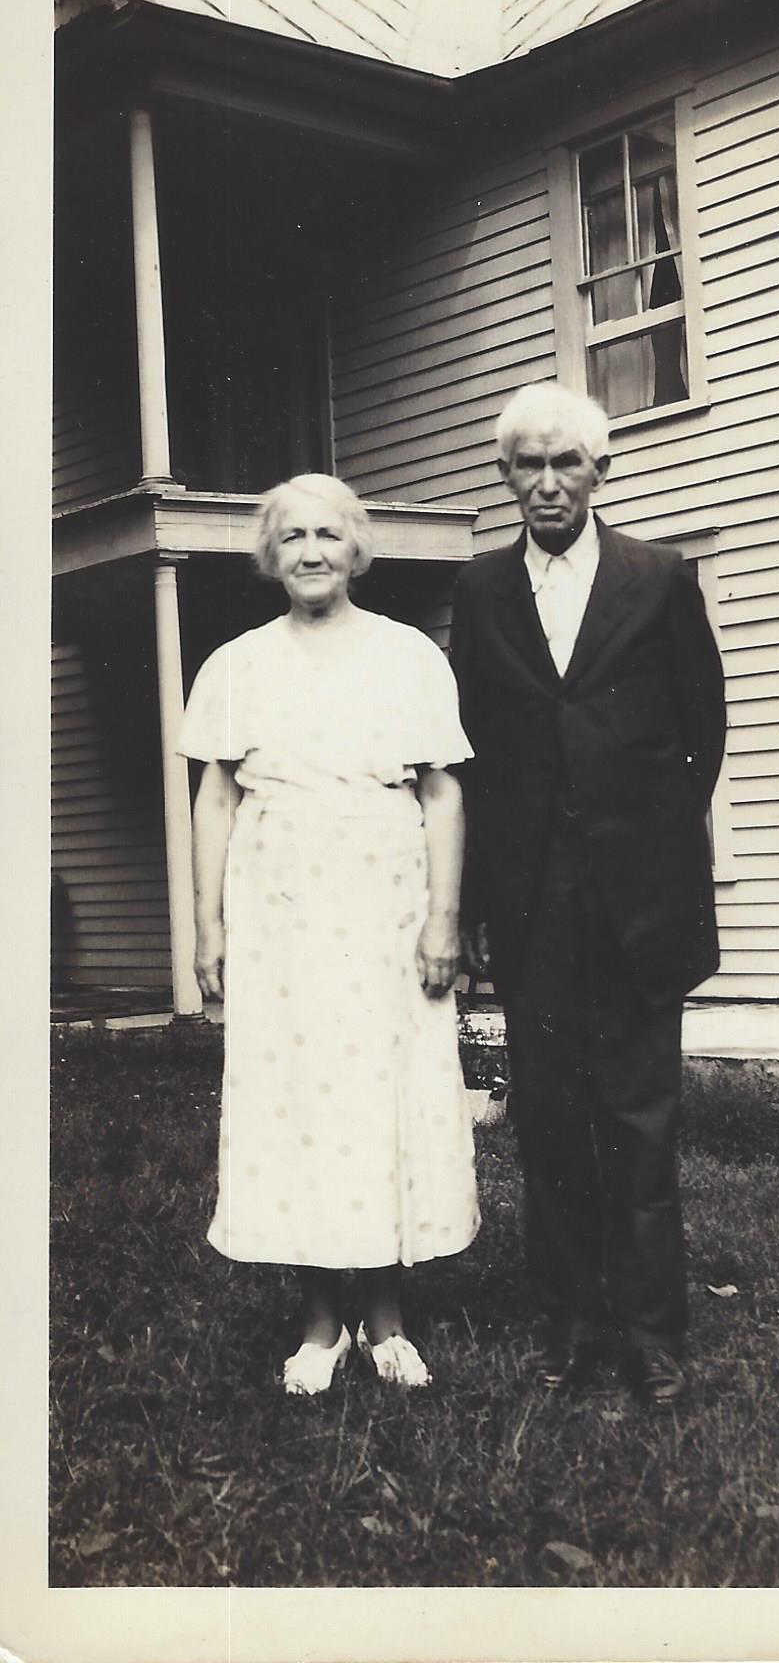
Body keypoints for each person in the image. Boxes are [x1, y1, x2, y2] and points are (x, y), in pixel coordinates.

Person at [449, 383, 726, 1408]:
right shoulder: (480, 589)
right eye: (527, 463)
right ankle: (568, 1320)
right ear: (504, 475)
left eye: (566, 461)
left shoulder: (657, 577)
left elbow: (702, 731)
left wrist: (646, 845)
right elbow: (471, 749)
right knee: (551, 1118)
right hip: (532, 900)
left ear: (599, 471)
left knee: (640, 1119)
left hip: (637, 902)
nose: (547, 482)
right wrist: (481, 898)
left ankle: (652, 1333)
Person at [180, 473, 479, 1396]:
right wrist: (208, 924)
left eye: (328, 534)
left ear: (357, 550)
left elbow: (442, 793)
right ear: (270, 556)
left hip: (383, 907)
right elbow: (216, 798)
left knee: (383, 1095)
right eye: (293, 536)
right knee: (297, 1101)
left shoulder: (407, 658)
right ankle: (320, 1323)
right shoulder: (235, 666)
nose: (311, 551)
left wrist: (441, 919)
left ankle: (385, 1318)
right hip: (279, 913)